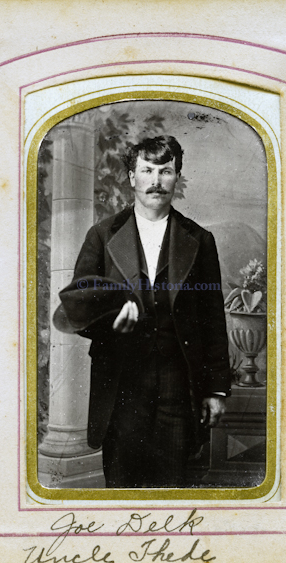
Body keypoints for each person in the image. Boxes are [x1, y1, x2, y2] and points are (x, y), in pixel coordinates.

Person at [66, 135, 231, 488]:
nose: (156, 181)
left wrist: (216, 390)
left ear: (177, 177)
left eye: (166, 171)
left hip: (179, 383)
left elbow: (213, 319)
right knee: (122, 488)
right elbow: (78, 307)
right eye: (147, 171)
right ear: (132, 176)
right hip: (121, 385)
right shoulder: (102, 235)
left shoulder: (200, 239)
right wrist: (110, 323)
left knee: (173, 487)